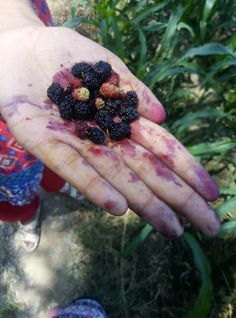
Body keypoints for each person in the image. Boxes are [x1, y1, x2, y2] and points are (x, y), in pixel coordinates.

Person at [0, 0, 221, 255]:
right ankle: (26, 214)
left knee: (58, 156)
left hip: (21, 60)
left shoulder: (86, 93)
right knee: (15, 184)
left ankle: (58, 184)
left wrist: (13, 27)